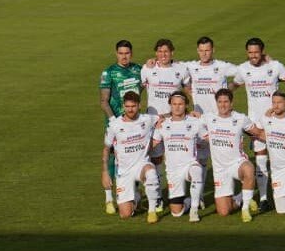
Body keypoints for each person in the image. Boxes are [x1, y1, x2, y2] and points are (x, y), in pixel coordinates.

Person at [234, 37, 285, 210]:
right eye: (250, 52)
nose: (253, 55)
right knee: (261, 159)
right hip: (255, 123)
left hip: (277, 121)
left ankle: (284, 193)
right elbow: (232, 86)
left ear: (262, 51)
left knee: (280, 159)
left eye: (256, 52)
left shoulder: (275, 66)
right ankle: (264, 198)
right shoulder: (242, 69)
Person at [204, 88, 265, 221]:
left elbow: (259, 133)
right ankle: (241, 198)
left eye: (226, 101)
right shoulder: (208, 118)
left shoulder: (240, 118)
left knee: (249, 169)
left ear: (231, 103)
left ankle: (245, 209)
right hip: (220, 169)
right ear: (216, 103)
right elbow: (186, 121)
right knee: (224, 212)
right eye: (220, 102)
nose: (223, 105)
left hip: (236, 163)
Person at [98, 39, 144, 214]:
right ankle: (109, 198)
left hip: (134, 121)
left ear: (131, 53)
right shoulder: (108, 72)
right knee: (110, 156)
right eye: (121, 53)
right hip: (115, 122)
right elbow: (103, 101)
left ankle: (135, 194)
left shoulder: (138, 70)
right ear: (116, 53)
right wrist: (113, 120)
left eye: (127, 53)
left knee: (136, 154)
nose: (124, 56)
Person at [102, 92, 159, 220]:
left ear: (139, 105)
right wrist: (105, 171)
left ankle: (152, 211)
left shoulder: (147, 119)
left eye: (133, 106)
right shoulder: (114, 125)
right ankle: (137, 198)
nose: (130, 109)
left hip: (141, 165)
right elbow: (106, 149)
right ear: (123, 106)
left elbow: (164, 118)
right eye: (127, 106)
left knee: (151, 172)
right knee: (125, 215)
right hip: (124, 171)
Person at [152, 91, 207, 222]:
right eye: (174, 104)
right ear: (170, 105)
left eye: (180, 104)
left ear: (186, 105)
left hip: (189, 165)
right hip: (173, 171)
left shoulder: (195, 122)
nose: (177, 107)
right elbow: (152, 144)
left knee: (197, 170)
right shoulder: (163, 124)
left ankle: (194, 210)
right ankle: (189, 201)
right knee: (176, 212)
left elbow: (208, 138)